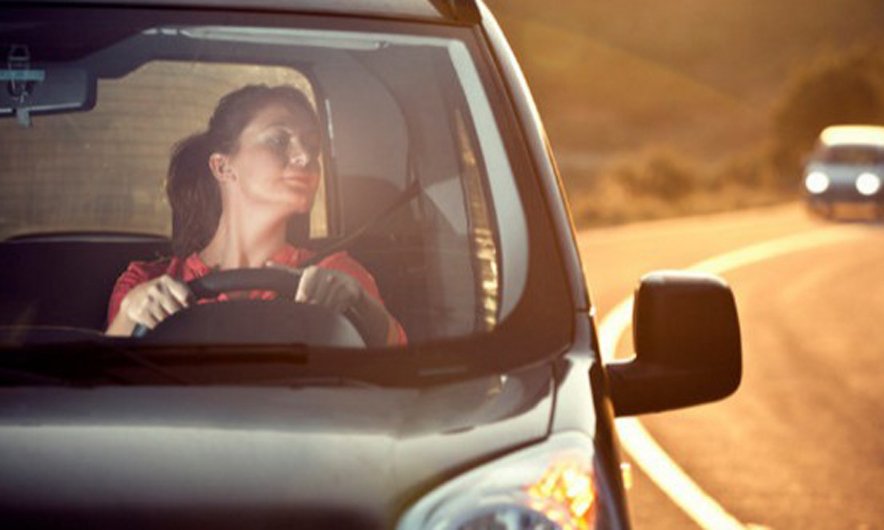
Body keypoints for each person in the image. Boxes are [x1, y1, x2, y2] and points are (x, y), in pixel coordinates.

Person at [106, 84, 405, 346]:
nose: (305, 157)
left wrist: (361, 304)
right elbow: (105, 380)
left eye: (313, 146)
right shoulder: (147, 283)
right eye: (278, 140)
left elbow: (397, 369)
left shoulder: (335, 277)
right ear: (223, 167)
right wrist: (128, 316)